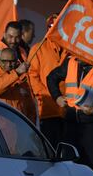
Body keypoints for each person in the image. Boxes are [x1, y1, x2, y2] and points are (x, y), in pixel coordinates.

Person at [48, 53, 93, 176]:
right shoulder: (70, 63)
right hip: (71, 122)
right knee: (70, 164)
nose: (77, 56)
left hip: (92, 123)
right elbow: (51, 77)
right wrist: (57, 97)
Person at [28, 13, 66, 144]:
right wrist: (51, 95)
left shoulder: (70, 49)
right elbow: (32, 76)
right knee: (52, 146)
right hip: (48, 108)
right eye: (52, 27)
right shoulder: (37, 49)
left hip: (70, 108)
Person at [0, 47, 36, 122]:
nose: (9, 64)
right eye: (4, 61)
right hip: (0, 129)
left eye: (12, 61)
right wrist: (17, 73)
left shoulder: (22, 81)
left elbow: (30, 108)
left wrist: (29, 127)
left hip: (20, 128)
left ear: (17, 61)